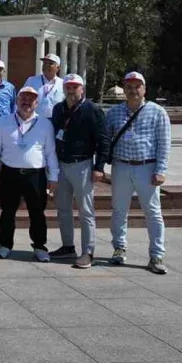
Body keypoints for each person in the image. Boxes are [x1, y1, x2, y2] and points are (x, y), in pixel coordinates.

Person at [105, 71, 171, 275]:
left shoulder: (157, 112)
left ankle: (156, 255)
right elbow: (106, 139)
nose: (133, 90)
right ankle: (119, 247)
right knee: (118, 210)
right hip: (121, 166)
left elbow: (164, 144)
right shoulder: (114, 113)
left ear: (144, 89)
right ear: (124, 89)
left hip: (147, 167)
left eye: (137, 86)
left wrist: (161, 170)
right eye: (129, 87)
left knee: (153, 213)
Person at [0, 86, 59, 261]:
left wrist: (53, 177)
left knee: (37, 212)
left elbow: (50, 152)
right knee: (7, 212)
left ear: (36, 103)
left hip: (36, 175)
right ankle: (5, 245)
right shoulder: (3, 122)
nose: (26, 102)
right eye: (23, 98)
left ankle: (40, 246)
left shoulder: (45, 124)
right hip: (10, 173)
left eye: (31, 99)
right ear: (17, 101)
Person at [49, 74, 108, 268]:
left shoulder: (92, 110)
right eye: (68, 86)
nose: (71, 90)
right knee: (63, 209)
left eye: (75, 87)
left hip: (82, 165)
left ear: (82, 89)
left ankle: (88, 252)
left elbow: (103, 140)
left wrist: (99, 167)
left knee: (85, 211)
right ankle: (67, 246)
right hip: (61, 166)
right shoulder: (58, 109)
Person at [24, 53, 65, 118]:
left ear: (58, 68)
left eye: (50, 63)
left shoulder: (63, 83)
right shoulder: (31, 81)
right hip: (34, 121)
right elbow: (22, 99)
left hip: (55, 122)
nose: (46, 65)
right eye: (45, 63)